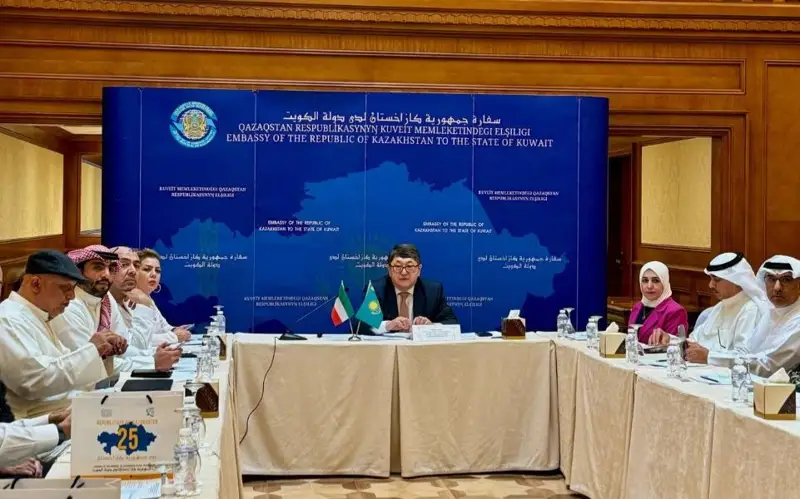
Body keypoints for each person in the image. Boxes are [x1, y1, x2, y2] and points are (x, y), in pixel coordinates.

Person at [0, 250, 114, 419]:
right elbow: (34, 381)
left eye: (73, 288)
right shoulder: (8, 319)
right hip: (38, 423)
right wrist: (92, 349)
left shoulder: (39, 315)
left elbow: (64, 361)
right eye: (65, 288)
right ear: (36, 284)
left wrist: (101, 352)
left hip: (67, 410)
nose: (72, 296)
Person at [51, 245, 181, 372]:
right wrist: (152, 362)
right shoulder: (69, 306)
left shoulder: (106, 299)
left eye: (111, 268)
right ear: (79, 272)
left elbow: (124, 349)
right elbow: (90, 364)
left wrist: (154, 355)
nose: (106, 274)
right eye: (98, 267)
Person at [649, 252, 767, 365]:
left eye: (716, 280)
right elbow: (694, 341)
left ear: (736, 280)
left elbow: (746, 359)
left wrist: (708, 357)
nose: (711, 285)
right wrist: (670, 340)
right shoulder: (720, 307)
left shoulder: (751, 310)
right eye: (711, 279)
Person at [363, 244, 457, 333]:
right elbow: (362, 326)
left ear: (419, 270)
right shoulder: (375, 289)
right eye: (398, 266)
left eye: (409, 266)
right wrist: (387, 325)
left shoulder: (433, 291)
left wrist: (431, 326)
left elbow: (451, 323)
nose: (404, 272)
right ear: (389, 270)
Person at [745, 256, 800, 378]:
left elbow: (769, 367)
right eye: (771, 279)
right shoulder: (771, 312)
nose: (777, 288)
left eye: (786, 280)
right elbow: (750, 351)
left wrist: (712, 358)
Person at [130, 248, 191, 346]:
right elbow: (140, 341)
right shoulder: (128, 299)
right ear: (135, 272)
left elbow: (164, 327)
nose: (154, 274)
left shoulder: (148, 298)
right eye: (147, 269)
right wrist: (174, 336)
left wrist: (175, 330)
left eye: (157, 271)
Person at [631, 261, 688, 344]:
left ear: (664, 283)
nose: (649, 286)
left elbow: (676, 346)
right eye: (645, 280)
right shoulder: (637, 307)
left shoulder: (676, 311)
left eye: (655, 281)